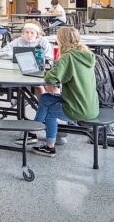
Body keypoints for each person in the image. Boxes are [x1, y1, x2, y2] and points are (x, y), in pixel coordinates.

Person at [31, 26, 98, 157]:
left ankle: (49, 146)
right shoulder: (85, 55)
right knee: (45, 99)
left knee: (49, 112)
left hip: (78, 108)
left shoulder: (67, 57)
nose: (56, 41)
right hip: (90, 105)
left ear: (61, 40)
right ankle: (33, 131)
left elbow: (51, 78)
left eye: (57, 38)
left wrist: (51, 71)